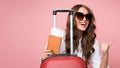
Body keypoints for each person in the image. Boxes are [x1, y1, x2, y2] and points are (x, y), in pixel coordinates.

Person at [41, 4, 111, 68]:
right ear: (72, 18)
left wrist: (105, 54)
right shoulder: (59, 36)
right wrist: (44, 58)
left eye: (87, 17)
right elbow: (48, 64)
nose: (84, 19)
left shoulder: (92, 41)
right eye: (80, 16)